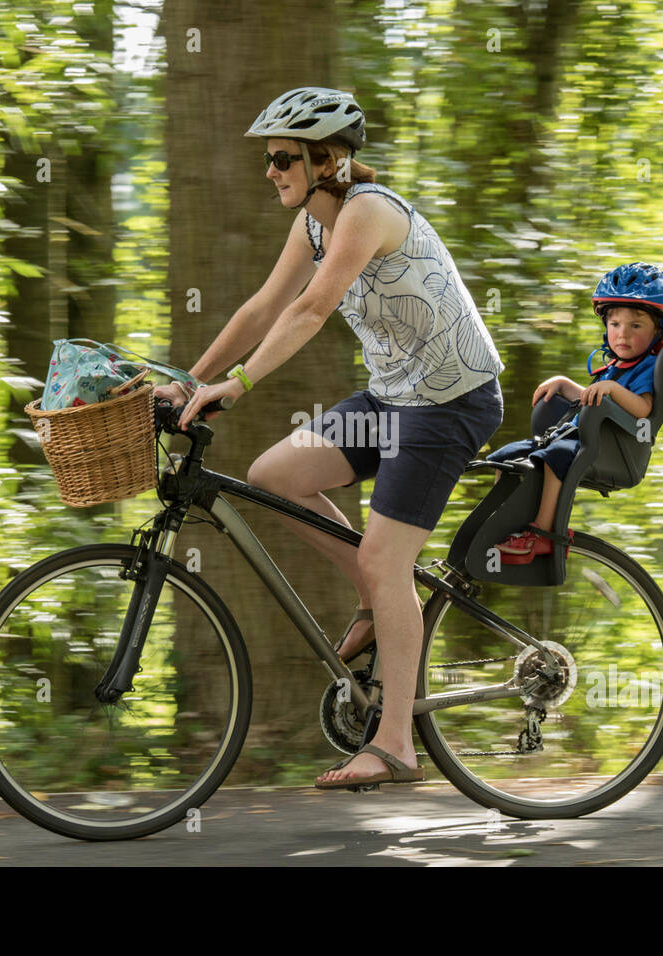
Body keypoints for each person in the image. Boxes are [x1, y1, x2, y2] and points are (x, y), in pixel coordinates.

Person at [155, 87, 505, 789]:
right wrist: (190, 380)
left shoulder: (368, 213)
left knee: (384, 558)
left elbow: (312, 309)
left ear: (328, 159)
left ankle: (397, 742)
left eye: (282, 157)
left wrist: (240, 385)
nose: (271, 171)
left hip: (447, 403)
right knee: (275, 475)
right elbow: (264, 307)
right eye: (269, 159)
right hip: (391, 397)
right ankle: (380, 598)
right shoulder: (313, 225)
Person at [483, 262, 663, 564]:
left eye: (635, 326)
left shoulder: (647, 367)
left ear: (658, 331)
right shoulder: (617, 365)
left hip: (609, 447)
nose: (622, 335)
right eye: (615, 325)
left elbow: (643, 410)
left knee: (556, 458)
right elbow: (591, 398)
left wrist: (613, 391)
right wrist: (565, 385)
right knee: (506, 457)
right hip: (574, 434)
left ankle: (543, 534)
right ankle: (503, 525)